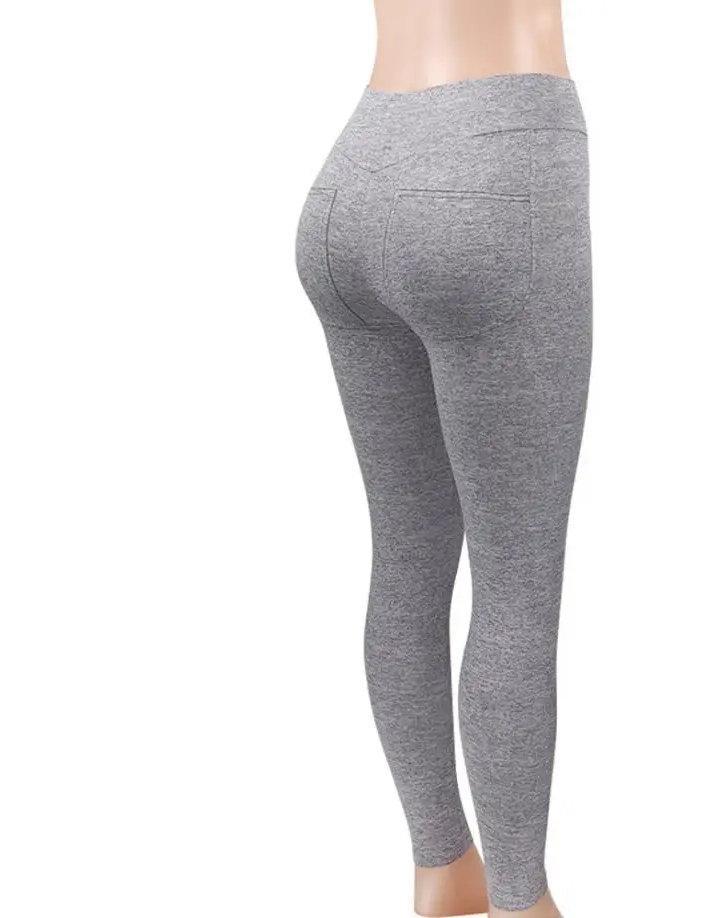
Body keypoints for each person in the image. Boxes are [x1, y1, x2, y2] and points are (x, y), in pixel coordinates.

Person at [295, 3, 591, 915]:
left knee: (407, 556)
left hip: (351, 175)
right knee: (517, 582)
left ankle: (442, 867)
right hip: (495, 164)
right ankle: (520, 901)